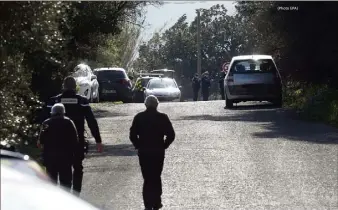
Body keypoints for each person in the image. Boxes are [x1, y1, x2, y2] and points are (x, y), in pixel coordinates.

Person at [41, 76, 103, 195]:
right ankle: (75, 194)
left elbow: (43, 122)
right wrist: (98, 140)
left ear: (63, 87)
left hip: (54, 142)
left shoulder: (54, 101)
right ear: (75, 87)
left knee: (54, 169)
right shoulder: (82, 101)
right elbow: (91, 121)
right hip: (76, 141)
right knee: (77, 167)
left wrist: (41, 140)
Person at [129, 95, 175, 210]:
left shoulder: (139, 117)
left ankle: (148, 204)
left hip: (144, 151)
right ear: (157, 104)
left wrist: (138, 145)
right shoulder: (163, 117)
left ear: (145, 104)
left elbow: (132, 135)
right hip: (158, 151)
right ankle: (157, 201)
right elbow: (171, 135)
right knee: (156, 176)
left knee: (147, 178)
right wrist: (164, 145)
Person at [38, 103, 78, 191]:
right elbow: (75, 140)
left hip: (50, 158)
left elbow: (40, 141)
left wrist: (43, 153)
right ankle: (65, 199)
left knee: (51, 182)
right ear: (63, 112)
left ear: (52, 112)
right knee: (66, 182)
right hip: (66, 157)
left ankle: (52, 200)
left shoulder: (46, 123)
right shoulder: (68, 122)